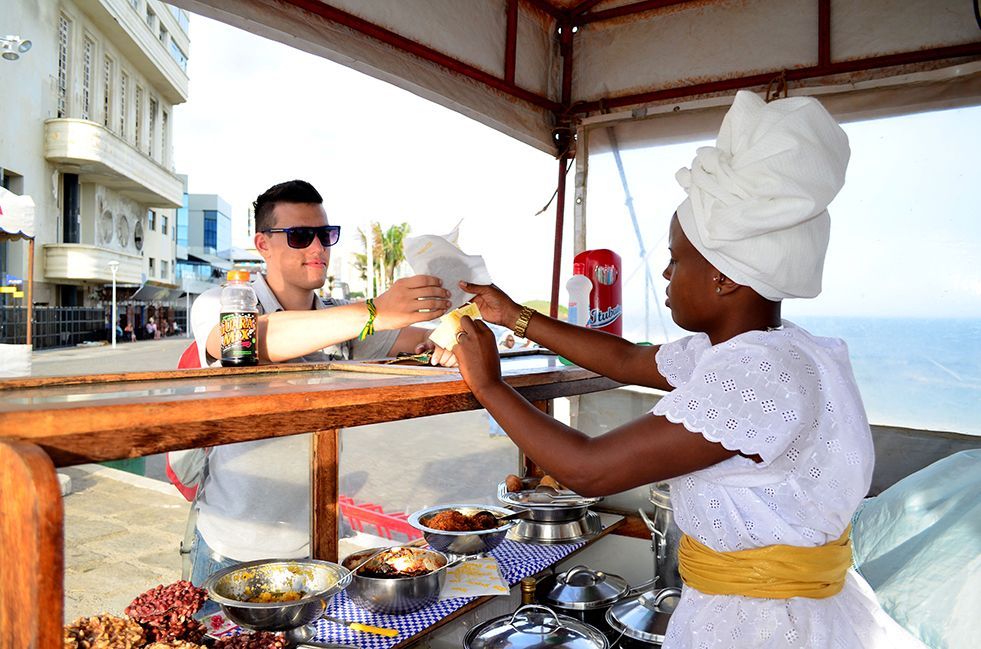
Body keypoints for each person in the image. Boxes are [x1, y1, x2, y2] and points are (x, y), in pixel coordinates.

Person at [452, 92, 922, 648]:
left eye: (676, 259)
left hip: (765, 626)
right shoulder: (766, 349)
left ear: (724, 276)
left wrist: (489, 384)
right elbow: (626, 359)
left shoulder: (756, 375)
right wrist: (516, 316)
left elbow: (590, 471)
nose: (666, 274)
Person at [187, 179, 457, 586]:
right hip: (233, 547)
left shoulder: (339, 318)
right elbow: (246, 340)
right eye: (299, 236)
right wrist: (374, 311)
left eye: (325, 235)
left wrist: (447, 336)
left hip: (318, 541)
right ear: (262, 243)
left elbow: (416, 337)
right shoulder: (223, 302)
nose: (317, 248)